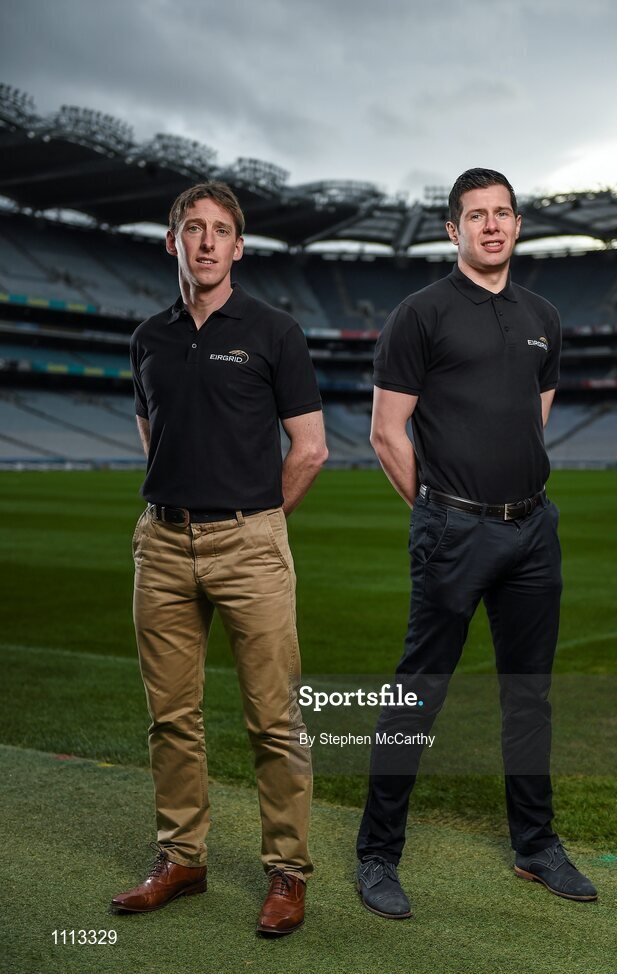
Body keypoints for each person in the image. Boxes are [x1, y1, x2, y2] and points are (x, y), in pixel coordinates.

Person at [355, 168, 597, 918]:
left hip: (533, 528)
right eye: (475, 216)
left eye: (502, 214)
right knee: (416, 695)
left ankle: (535, 845)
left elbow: (536, 414)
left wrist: (509, 502)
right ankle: (376, 854)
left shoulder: (543, 316)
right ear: (452, 230)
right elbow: (385, 431)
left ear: (518, 225)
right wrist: (441, 510)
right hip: (454, 529)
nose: (490, 226)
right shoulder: (419, 314)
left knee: (529, 698)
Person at [111, 181, 327, 936]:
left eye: (221, 231)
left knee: (275, 721)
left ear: (239, 247)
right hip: (162, 544)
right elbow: (153, 436)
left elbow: (310, 449)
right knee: (171, 718)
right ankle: (181, 859)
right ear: (172, 241)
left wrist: (256, 522)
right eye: (192, 228)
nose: (206, 242)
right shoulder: (147, 339)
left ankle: (288, 873)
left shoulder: (275, 331)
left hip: (250, 543)